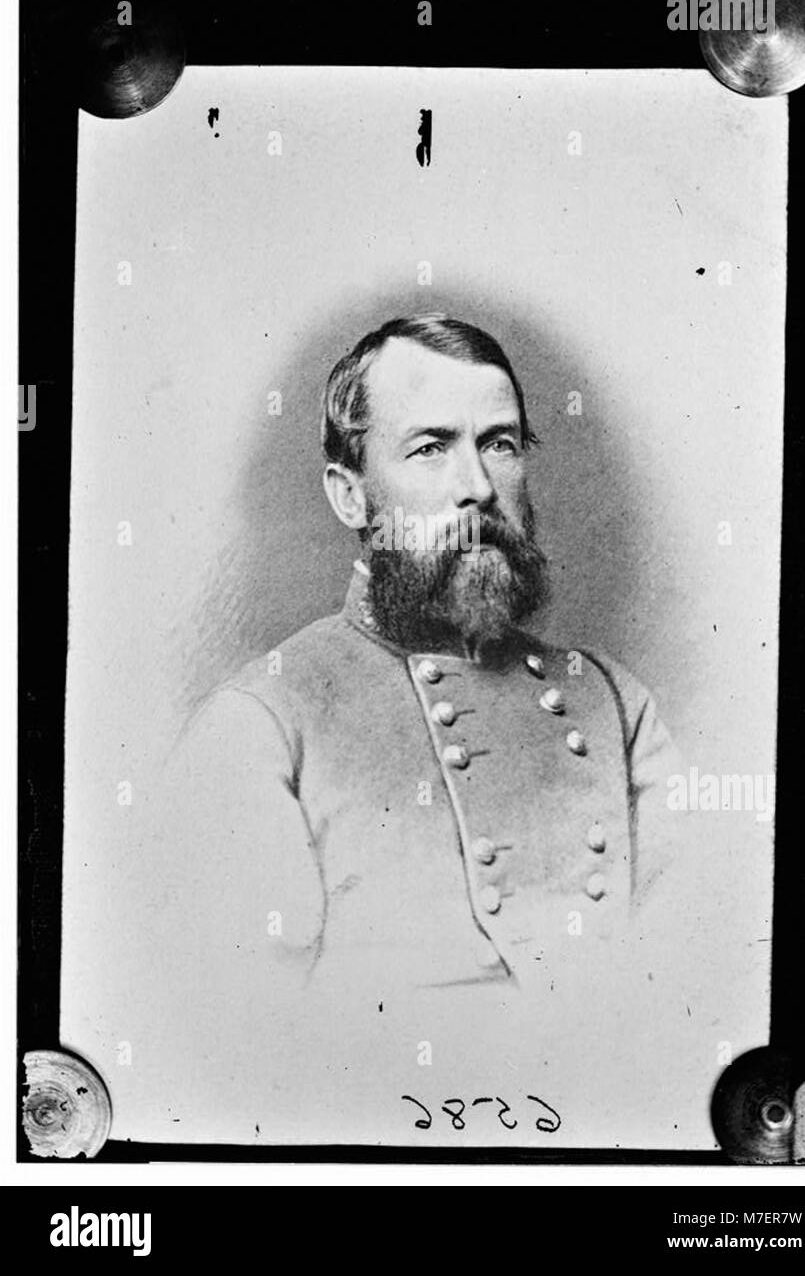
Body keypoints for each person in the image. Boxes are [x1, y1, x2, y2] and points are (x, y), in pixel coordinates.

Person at [155, 312, 734, 1147]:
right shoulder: (259, 726)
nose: (477, 486)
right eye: (430, 448)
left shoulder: (614, 702)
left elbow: (700, 975)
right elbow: (244, 1055)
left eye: (499, 443)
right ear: (349, 494)